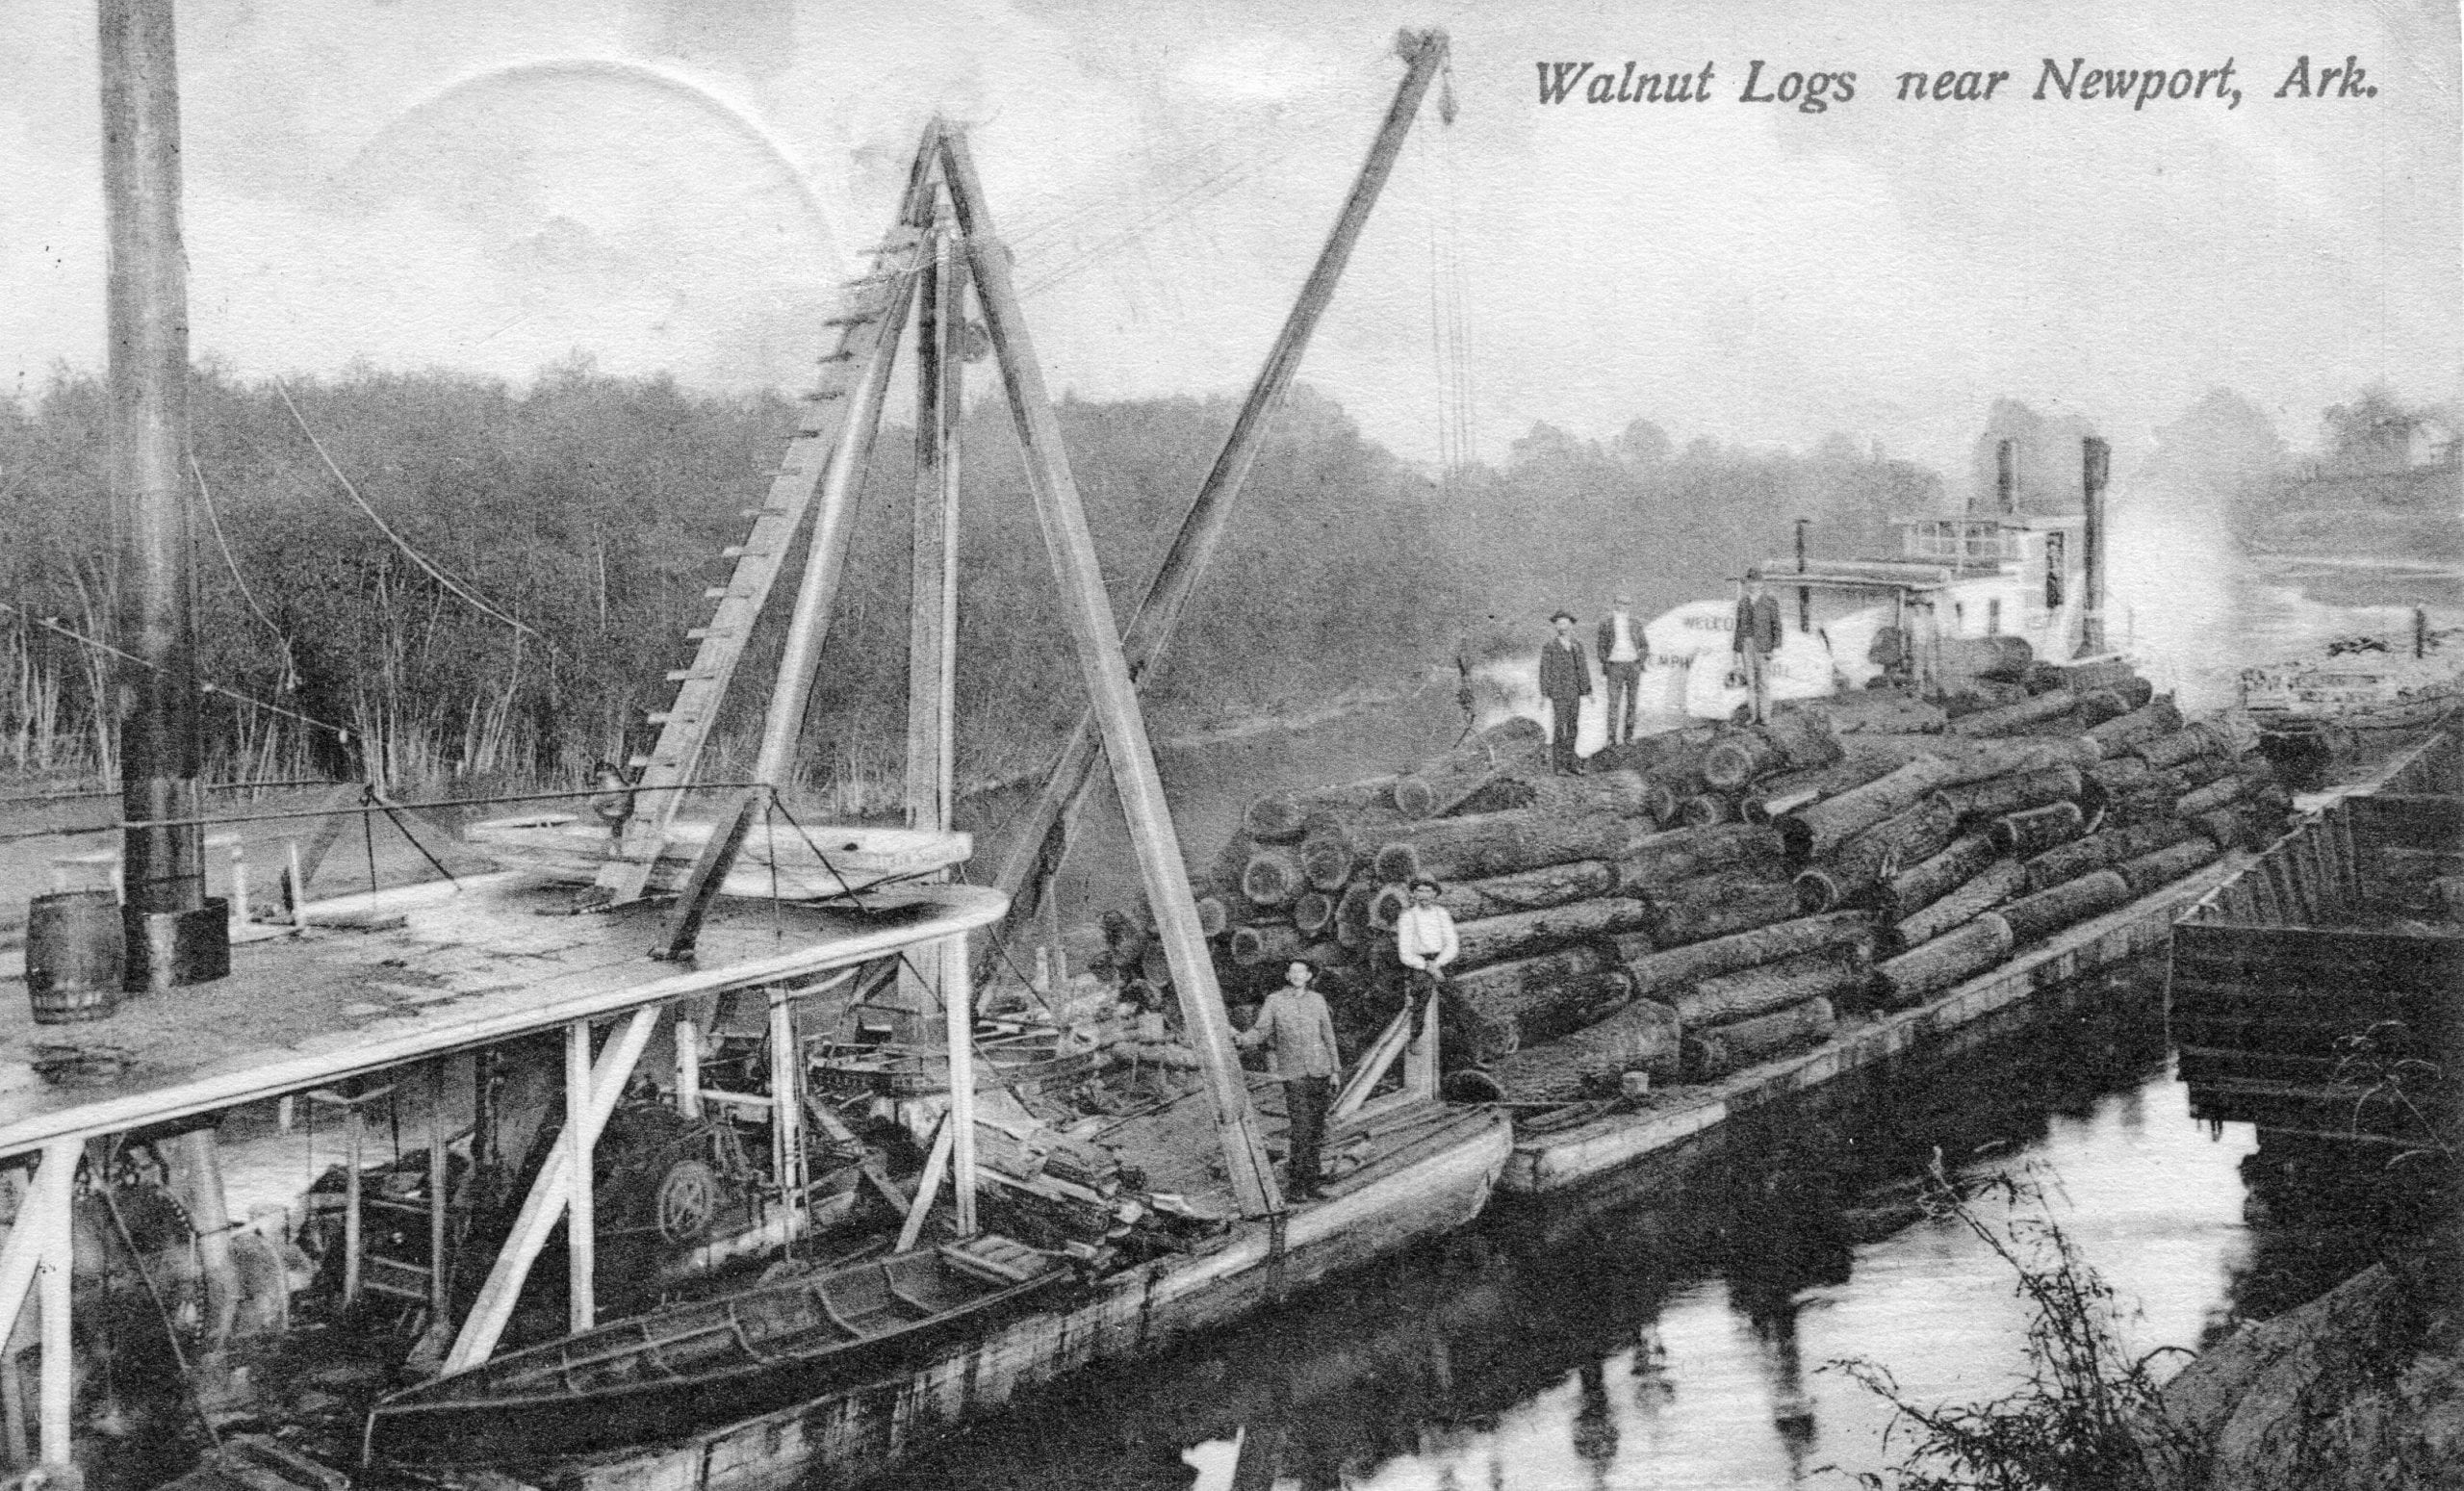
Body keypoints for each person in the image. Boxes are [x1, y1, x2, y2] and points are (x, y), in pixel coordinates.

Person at [1236, 961, 1342, 1201]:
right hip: (1294, 1074)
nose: (1297, 976)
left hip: (1320, 1071)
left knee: (1316, 1130)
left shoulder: (1317, 1000)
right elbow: (1261, 1030)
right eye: (1292, 972)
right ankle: (1296, 1188)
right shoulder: (1275, 1001)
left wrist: (1335, 1070)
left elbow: (1328, 1035)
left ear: (1308, 976)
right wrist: (1242, 1040)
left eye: (1301, 972)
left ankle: (1313, 1184)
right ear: (1287, 976)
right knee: (1301, 1130)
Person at [1538, 610, 1592, 774]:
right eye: (1558, 623)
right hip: (1558, 692)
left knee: (1573, 726)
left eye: (1564, 623)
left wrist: (1588, 690)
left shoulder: (1577, 645)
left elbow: (1582, 669)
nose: (1561, 626)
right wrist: (1544, 694)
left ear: (1570, 625)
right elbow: (1545, 670)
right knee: (1560, 727)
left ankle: (1572, 764)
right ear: (1555, 626)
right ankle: (1559, 766)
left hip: (1574, 692)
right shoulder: (1550, 646)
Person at [1393, 877, 1459, 1009]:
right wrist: (1426, 966)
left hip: (1442, 962)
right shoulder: (1407, 917)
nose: (1424, 896)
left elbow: (1452, 945)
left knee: (1452, 1002)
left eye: (1428, 891)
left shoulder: (1442, 914)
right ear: (1413, 894)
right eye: (1419, 891)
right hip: (1419, 965)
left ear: (1435, 893)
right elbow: (1405, 953)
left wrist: (1437, 965)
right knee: (1422, 998)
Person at [1596, 594, 1649, 746]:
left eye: (1626, 603)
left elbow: (1644, 645)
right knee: (1613, 703)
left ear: (1630, 605)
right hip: (1615, 666)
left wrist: (1640, 661)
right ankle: (1611, 738)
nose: (1623, 606)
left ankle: (1628, 736)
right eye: (1620, 603)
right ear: (1615, 604)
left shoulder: (1635, 623)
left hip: (1633, 665)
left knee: (1632, 702)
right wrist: (1606, 661)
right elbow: (1600, 646)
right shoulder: (1606, 623)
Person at [1732, 572, 1783, 724]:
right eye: (1750, 582)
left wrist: (1775, 648)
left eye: (1756, 582)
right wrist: (1736, 650)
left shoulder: (1770, 601)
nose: (1752, 585)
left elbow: (1777, 626)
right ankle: (1753, 716)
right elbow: (1739, 628)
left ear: (1761, 583)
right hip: (1747, 644)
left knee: (1764, 683)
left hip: (1763, 645)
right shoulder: (1743, 602)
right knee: (1751, 682)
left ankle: (1765, 716)